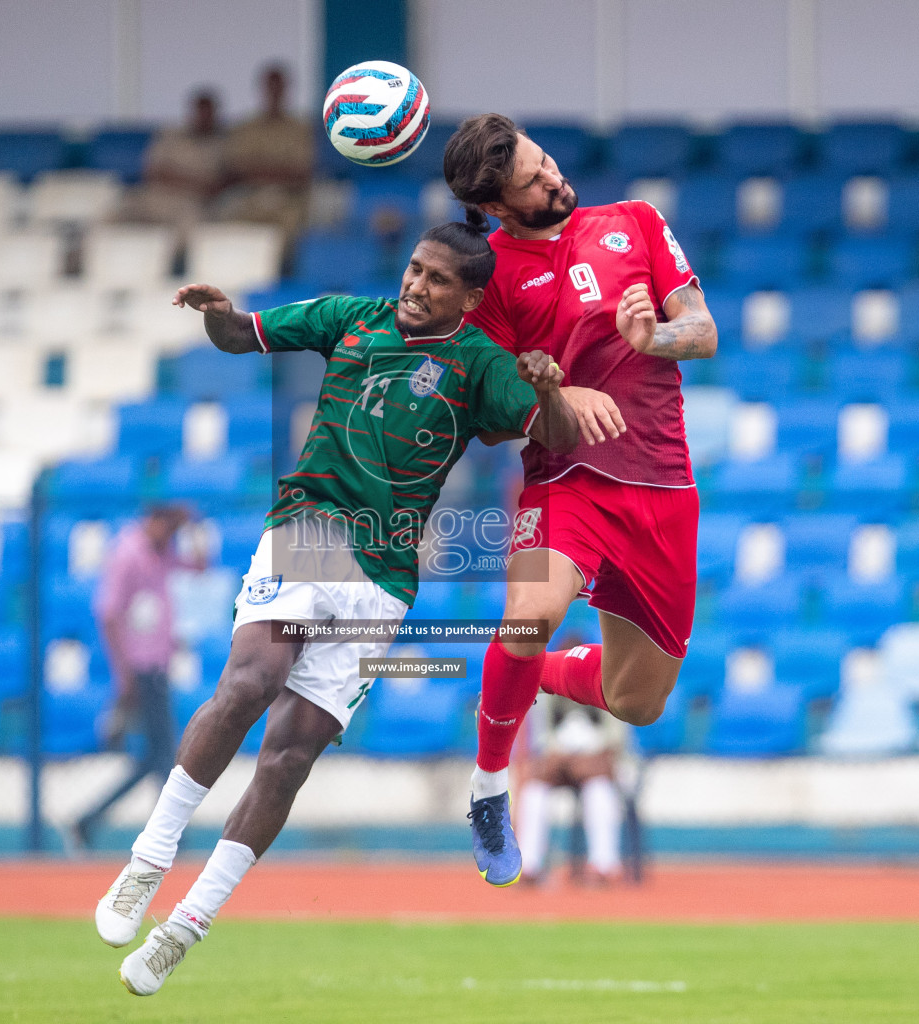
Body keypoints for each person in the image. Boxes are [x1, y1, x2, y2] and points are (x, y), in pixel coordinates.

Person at [92, 215, 580, 998]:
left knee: (289, 758)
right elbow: (242, 337)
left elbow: (550, 432)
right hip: (312, 530)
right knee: (249, 683)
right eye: (415, 269)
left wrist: (551, 387)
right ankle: (147, 862)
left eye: (437, 279)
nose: (416, 285)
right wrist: (218, 315)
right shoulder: (349, 319)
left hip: (385, 577)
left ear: (471, 297)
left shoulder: (480, 364)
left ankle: (186, 925)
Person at [442, 113, 719, 885]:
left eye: (547, 163)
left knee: (638, 703)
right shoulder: (486, 276)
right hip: (567, 479)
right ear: (496, 207)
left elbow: (701, 331)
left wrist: (652, 341)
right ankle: (490, 786)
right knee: (528, 615)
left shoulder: (634, 221)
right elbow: (492, 413)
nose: (555, 179)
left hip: (663, 486)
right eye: (532, 181)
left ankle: (531, 670)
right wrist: (547, 391)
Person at [70, 504, 205, 850]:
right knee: (165, 757)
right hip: (139, 667)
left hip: (157, 665)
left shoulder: (165, 551)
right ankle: (170, 835)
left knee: (156, 757)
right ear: (152, 521)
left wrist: (194, 529)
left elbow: (200, 567)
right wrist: (123, 672)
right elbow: (109, 613)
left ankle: (90, 819)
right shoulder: (128, 552)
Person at [516, 689, 631, 887]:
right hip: (558, 757)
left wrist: (590, 749)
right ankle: (528, 866)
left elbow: (616, 735)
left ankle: (603, 866)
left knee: (599, 790)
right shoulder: (549, 680)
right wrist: (562, 752)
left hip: (596, 758)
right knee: (533, 790)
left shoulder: (607, 680)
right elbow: (541, 735)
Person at [211, 63, 314, 243]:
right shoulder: (245, 128)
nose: (274, 92)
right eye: (270, 86)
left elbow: (300, 173)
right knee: (224, 213)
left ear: (285, 89)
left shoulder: (300, 129)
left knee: (289, 219)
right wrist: (275, 169)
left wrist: (258, 169)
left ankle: (281, 270)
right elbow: (235, 170)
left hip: (287, 197)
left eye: (278, 87)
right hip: (246, 195)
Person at [120, 88, 227, 244]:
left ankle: (162, 265)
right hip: (153, 197)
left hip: (189, 205)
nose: (203, 116)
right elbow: (152, 172)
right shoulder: (170, 135)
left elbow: (216, 186)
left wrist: (175, 177)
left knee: (191, 227)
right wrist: (193, 182)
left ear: (215, 114)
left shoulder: (222, 143)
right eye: (200, 111)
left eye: (208, 112)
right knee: (114, 211)